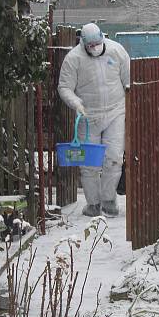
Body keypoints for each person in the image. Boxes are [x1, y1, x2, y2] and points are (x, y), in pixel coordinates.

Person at [57, 23, 130, 217]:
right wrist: (76, 103)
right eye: (91, 45)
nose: (95, 48)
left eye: (98, 43)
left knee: (114, 158)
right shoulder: (73, 59)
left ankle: (108, 199)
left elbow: (128, 80)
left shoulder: (117, 51)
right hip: (88, 117)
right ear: (83, 43)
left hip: (115, 112)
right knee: (88, 163)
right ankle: (93, 203)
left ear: (103, 39)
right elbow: (64, 87)